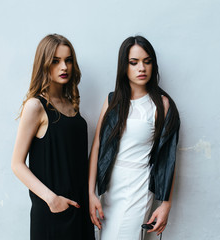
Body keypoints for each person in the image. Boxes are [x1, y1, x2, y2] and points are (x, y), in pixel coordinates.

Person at [88, 35, 180, 239]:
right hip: (110, 188)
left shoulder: (162, 105)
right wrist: (91, 194)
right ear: (124, 66)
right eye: (134, 62)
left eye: (147, 62)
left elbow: (168, 158)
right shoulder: (112, 101)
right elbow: (96, 148)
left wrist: (166, 203)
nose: (141, 68)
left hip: (137, 187)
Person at [11, 34, 95, 240]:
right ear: (44, 64)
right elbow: (16, 164)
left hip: (79, 208)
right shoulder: (36, 106)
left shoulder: (71, 104)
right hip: (52, 212)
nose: (64, 67)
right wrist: (52, 199)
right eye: (55, 61)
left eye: (68, 60)